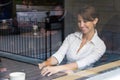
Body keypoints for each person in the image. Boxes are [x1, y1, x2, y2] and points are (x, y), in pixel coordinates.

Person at [38, 4, 106, 76]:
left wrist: (57, 68)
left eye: (85, 21)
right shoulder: (71, 37)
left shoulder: (100, 46)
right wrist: (44, 64)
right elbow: (58, 56)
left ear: (95, 21)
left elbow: (82, 63)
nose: (81, 25)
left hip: (84, 77)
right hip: (65, 73)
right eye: (79, 21)